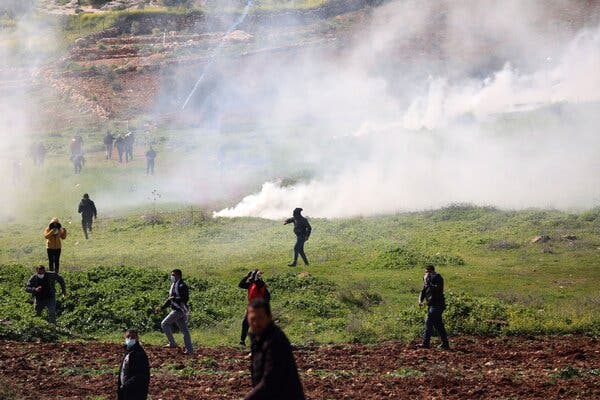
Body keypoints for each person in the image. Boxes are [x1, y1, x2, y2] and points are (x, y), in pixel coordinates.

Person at [244, 299, 305, 400]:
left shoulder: (275, 340)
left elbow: (271, 380)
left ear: (269, 317)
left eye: (260, 318)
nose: (256, 323)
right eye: (252, 319)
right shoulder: (257, 340)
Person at [155, 269, 193, 355]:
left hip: (179, 310)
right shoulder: (174, 285)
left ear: (178, 275)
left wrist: (174, 299)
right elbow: (170, 300)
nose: (171, 277)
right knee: (184, 331)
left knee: (164, 324)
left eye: (173, 275)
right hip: (178, 310)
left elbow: (185, 299)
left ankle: (172, 343)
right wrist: (162, 307)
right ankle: (189, 350)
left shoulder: (182, 286)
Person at [418, 264, 449, 349]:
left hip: (437, 305)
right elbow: (423, 291)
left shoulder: (438, 278)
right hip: (431, 305)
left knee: (428, 322)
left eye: (426, 272)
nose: (425, 274)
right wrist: (420, 300)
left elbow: (437, 289)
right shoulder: (427, 280)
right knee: (438, 325)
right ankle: (445, 343)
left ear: (430, 272)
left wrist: (428, 283)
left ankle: (425, 343)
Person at [238, 269, 270, 346]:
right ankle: (242, 341)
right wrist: (246, 276)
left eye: (253, 276)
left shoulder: (261, 283)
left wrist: (255, 274)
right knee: (246, 323)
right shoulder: (251, 284)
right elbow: (241, 285)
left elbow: (257, 281)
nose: (251, 278)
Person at [117, 329, 150, 400]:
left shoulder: (139, 354)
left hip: (135, 392)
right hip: (125, 390)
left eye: (132, 337)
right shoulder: (128, 351)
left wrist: (126, 385)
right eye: (128, 336)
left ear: (137, 338)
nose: (130, 339)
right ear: (124, 337)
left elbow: (141, 375)